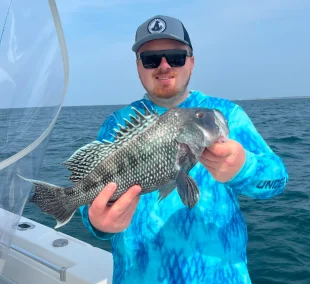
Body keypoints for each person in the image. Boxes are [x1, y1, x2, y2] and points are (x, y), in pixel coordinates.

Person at [79, 15, 289, 284]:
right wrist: (98, 222)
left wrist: (243, 167)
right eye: (151, 59)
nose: (164, 66)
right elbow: (91, 203)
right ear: (138, 66)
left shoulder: (224, 114)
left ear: (191, 61)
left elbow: (278, 179)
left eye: (175, 57)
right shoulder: (116, 125)